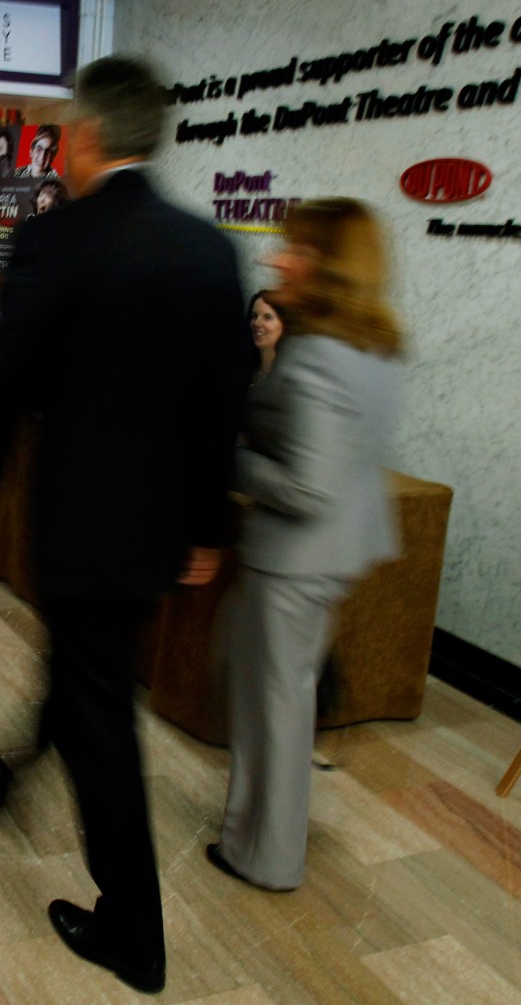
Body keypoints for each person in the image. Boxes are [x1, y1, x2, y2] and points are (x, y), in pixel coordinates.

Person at [0, 57, 250, 995]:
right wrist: (208, 526)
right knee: (84, 671)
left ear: (85, 138)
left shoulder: (57, 241)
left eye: (61, 132)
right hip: (154, 534)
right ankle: (15, 771)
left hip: (82, 529)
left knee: (102, 719)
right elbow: (223, 401)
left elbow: (0, 383)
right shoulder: (210, 249)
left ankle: (133, 932)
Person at [206, 198, 405, 893]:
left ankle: (265, 854)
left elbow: (307, 487)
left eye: (292, 248)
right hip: (335, 553)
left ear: (323, 262)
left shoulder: (315, 356)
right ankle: (256, 836)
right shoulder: (372, 345)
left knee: (276, 711)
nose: (276, 258)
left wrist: (229, 458)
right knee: (279, 696)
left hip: (293, 557)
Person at [248, 288, 285, 380]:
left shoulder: (291, 374)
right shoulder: (243, 369)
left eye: (267, 317)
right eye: (254, 316)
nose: (257, 323)